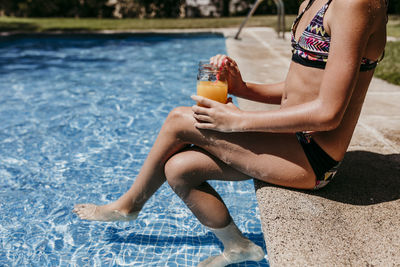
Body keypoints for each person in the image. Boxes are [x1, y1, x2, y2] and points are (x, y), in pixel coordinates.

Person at [73, 0, 388, 266]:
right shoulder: (314, 1)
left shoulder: (353, 4)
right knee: (179, 170)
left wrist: (238, 120)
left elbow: (328, 113)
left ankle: (128, 206)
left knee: (179, 120)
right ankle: (238, 247)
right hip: (290, 142)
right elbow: (301, 87)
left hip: (313, 159)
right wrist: (242, 88)